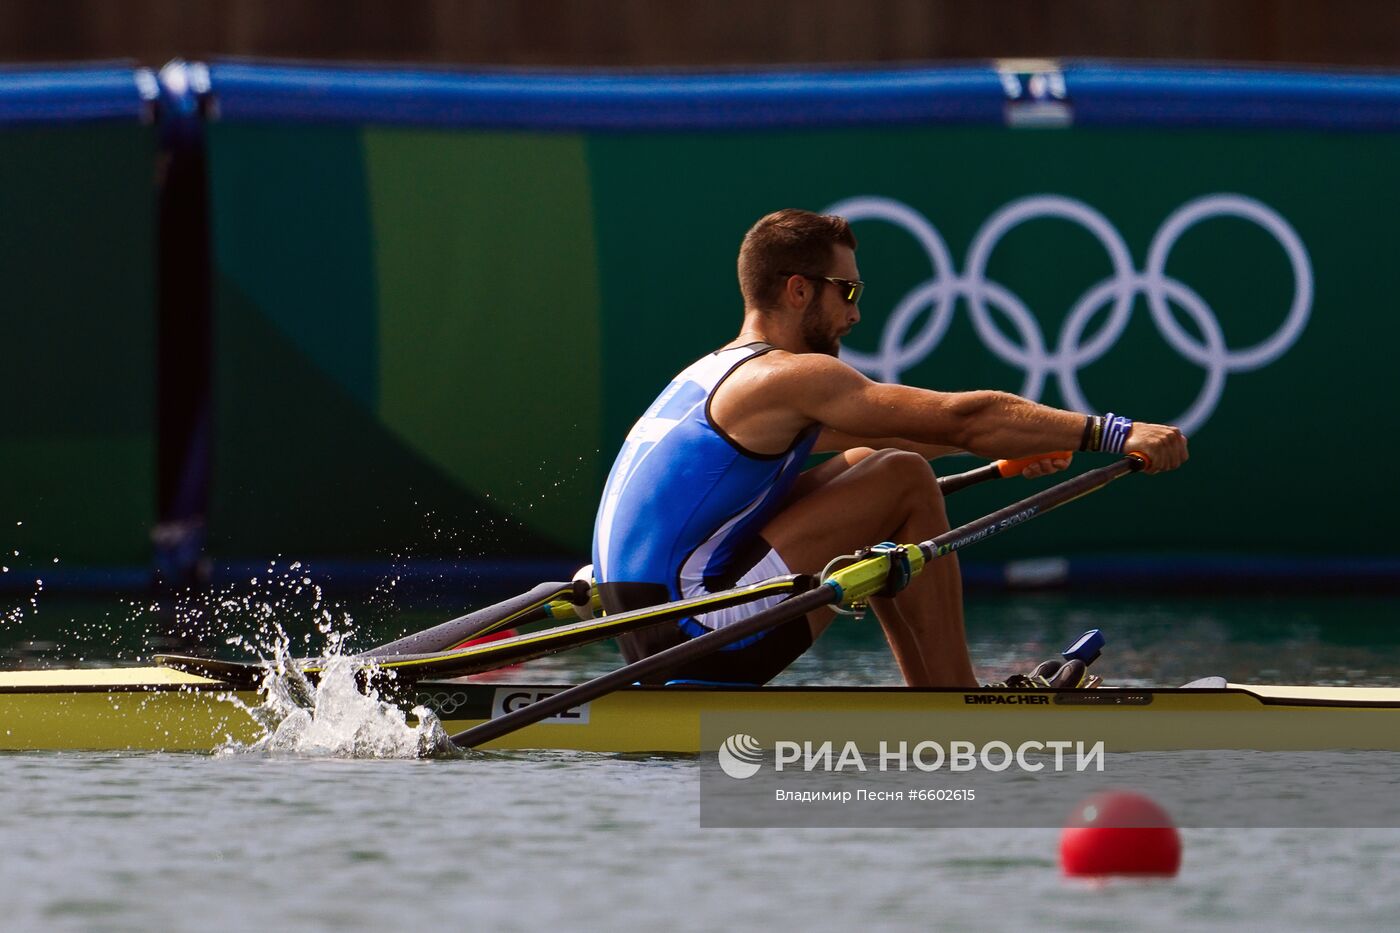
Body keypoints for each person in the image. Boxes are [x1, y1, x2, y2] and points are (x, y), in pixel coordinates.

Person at [591, 209, 1188, 689]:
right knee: (899, 477)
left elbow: (897, 438)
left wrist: (1028, 445)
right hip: (696, 636)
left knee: (872, 466)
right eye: (846, 290)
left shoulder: (711, 377)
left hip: (647, 634)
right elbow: (963, 418)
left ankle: (938, 698)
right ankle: (955, 696)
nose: (855, 312)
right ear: (799, 291)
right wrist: (1112, 432)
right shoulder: (793, 376)